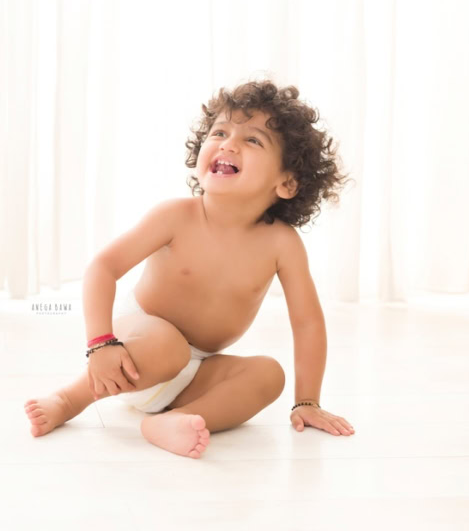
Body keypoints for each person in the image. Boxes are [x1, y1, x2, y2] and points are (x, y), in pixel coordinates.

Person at [24, 78, 356, 458]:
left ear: (287, 182)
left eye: (252, 140)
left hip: (195, 372)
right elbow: (103, 267)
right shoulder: (176, 217)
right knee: (168, 346)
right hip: (135, 346)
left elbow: (308, 323)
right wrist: (100, 344)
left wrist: (307, 400)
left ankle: (177, 419)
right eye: (219, 132)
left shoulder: (282, 244)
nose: (227, 144)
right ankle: (68, 399)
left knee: (268, 375)